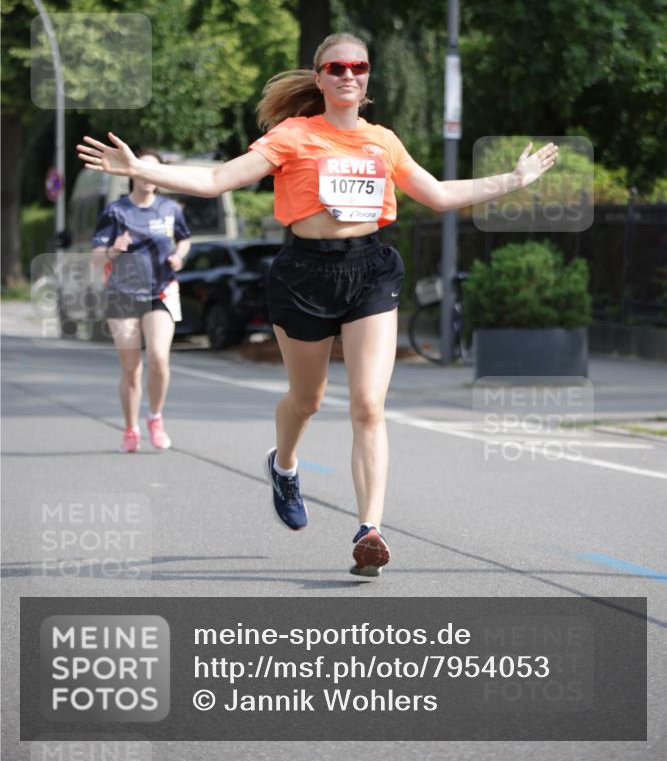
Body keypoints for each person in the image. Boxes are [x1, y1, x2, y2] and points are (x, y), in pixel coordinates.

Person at [78, 32, 558, 575]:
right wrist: (140, 169)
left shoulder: (384, 141)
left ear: (368, 75)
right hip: (305, 274)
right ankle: (283, 465)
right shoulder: (293, 135)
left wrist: (514, 180)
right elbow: (215, 180)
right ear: (319, 76)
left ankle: (369, 529)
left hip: (371, 272)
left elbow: (441, 194)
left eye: (358, 66)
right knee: (306, 400)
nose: (348, 74)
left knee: (368, 405)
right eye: (336, 68)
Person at [90, 149, 191, 453]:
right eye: (143, 170)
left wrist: (179, 256)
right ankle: (131, 428)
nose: (148, 177)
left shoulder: (170, 209)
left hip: (161, 290)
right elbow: (95, 258)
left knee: (160, 358)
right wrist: (114, 249)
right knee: (131, 368)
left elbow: (184, 238)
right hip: (122, 294)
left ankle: (155, 418)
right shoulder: (116, 211)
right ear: (132, 173)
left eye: (154, 171)